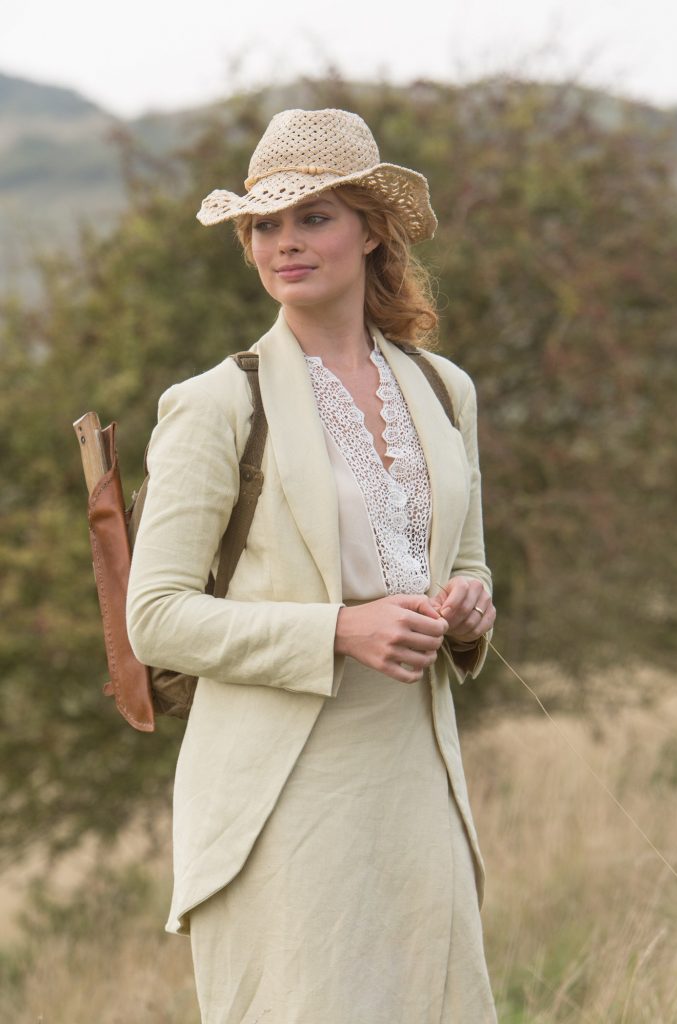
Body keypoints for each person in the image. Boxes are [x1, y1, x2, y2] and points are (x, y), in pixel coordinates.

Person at [126, 107, 498, 1023]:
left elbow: (467, 559)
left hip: (417, 775)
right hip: (281, 789)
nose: (283, 242)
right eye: (265, 224)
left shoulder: (445, 389)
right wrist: (338, 629)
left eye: (313, 217)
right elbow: (156, 618)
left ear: (370, 232)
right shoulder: (213, 404)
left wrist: (468, 608)